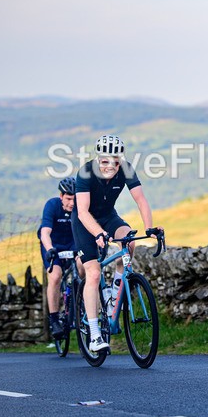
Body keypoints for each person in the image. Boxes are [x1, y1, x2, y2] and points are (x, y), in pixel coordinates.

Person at [72, 135, 161, 353]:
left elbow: (141, 200)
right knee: (93, 273)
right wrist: (98, 233)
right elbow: (82, 211)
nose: (110, 166)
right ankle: (95, 335)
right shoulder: (85, 172)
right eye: (105, 161)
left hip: (108, 217)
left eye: (115, 161)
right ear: (98, 159)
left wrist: (149, 228)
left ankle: (114, 295)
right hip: (85, 222)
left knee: (129, 243)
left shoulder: (126, 169)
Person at [38, 176, 84, 339]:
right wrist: (49, 249)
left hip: (73, 243)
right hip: (53, 245)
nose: (72, 203)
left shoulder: (81, 207)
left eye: (75, 199)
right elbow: (45, 232)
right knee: (56, 276)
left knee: (84, 266)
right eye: (68, 199)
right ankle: (54, 319)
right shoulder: (52, 205)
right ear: (61, 196)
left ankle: (82, 299)